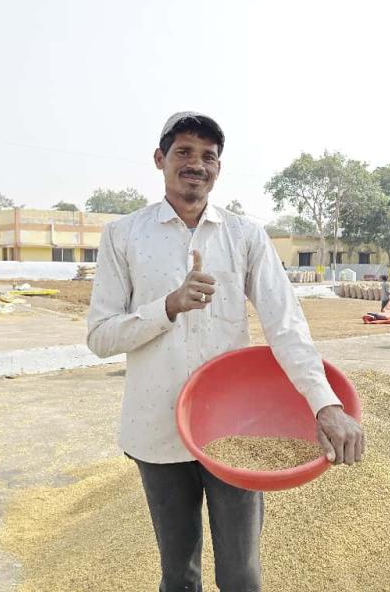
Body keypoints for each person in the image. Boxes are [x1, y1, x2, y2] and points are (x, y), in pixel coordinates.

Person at [87, 111, 364, 591]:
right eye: (184, 152)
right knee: (178, 574)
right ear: (160, 159)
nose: (196, 164)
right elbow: (100, 337)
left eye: (208, 156)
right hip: (156, 428)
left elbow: (285, 324)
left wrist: (326, 404)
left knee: (240, 574)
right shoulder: (123, 235)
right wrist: (169, 306)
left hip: (234, 430)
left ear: (218, 167)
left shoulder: (245, 235)